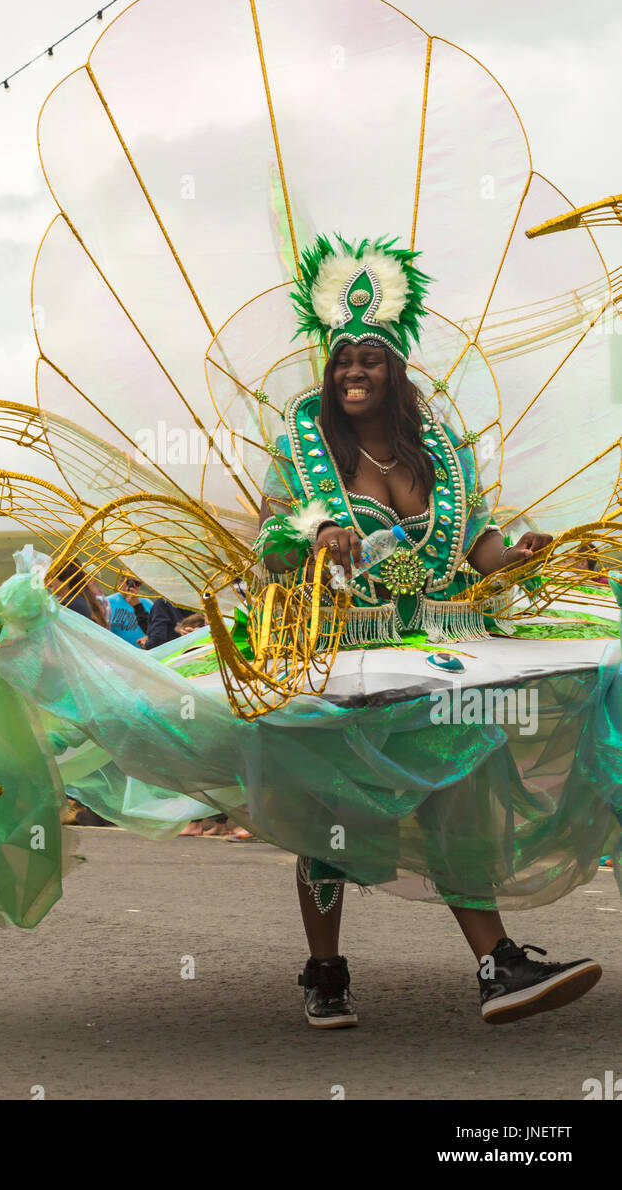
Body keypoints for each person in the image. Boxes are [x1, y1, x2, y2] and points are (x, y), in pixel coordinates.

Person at [258, 234, 600, 1029]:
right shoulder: (304, 450)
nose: (353, 372)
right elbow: (269, 541)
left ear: (394, 370)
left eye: (369, 360)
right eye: (343, 359)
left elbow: (471, 543)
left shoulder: (438, 450)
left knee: (454, 796)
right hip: (346, 655)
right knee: (329, 817)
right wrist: (315, 537)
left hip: (446, 653)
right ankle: (325, 971)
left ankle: (497, 965)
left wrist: (511, 555)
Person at [107, 573, 152, 648]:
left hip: (139, 654)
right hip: (113, 652)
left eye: (137, 583)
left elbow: (156, 632)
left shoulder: (148, 604)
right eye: (130, 582)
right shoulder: (108, 602)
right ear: (121, 581)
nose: (134, 586)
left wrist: (148, 638)